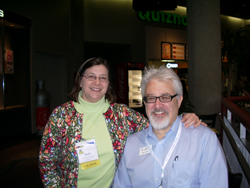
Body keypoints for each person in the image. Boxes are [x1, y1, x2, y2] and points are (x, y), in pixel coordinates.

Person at [39, 58, 204, 188]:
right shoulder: (62, 116)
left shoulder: (121, 115)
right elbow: (47, 161)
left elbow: (158, 123)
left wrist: (184, 119)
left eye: (103, 78)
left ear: (108, 83)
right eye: (91, 77)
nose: (97, 82)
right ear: (80, 81)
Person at [113, 66, 228, 188]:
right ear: (145, 102)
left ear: (179, 101)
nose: (157, 105)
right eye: (151, 98)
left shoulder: (204, 140)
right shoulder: (132, 144)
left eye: (165, 97)